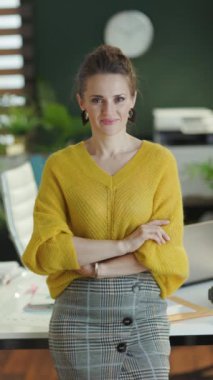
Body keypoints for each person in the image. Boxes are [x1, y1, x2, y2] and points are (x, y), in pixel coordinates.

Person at [22, 44, 189, 380]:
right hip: (78, 318)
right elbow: (47, 250)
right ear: (82, 102)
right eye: (97, 99)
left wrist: (96, 267)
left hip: (143, 312)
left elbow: (166, 254)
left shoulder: (159, 163)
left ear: (133, 100)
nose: (108, 110)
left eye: (118, 99)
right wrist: (127, 245)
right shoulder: (61, 166)